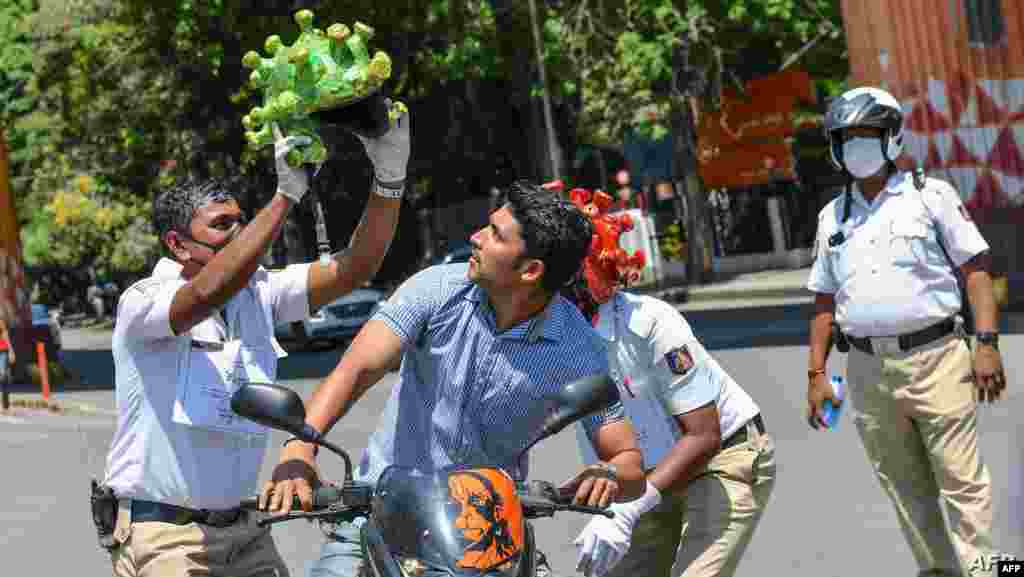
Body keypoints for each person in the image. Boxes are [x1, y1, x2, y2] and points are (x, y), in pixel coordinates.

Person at [263, 180, 648, 577]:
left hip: (489, 535)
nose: (476, 238)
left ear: (531, 270)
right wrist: (299, 449)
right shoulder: (435, 289)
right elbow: (355, 370)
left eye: (495, 234)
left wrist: (610, 473)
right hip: (379, 517)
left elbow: (629, 463)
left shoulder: (579, 347)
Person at [99, 105, 410, 577]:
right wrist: (285, 196)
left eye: (240, 221)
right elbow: (203, 294)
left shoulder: (260, 291)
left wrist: (389, 176)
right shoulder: (144, 303)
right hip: (165, 537)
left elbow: (356, 267)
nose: (240, 233)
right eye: (221, 226)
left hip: (245, 531)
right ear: (178, 245)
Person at [806, 86, 1007, 576]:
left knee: (961, 480)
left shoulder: (930, 196)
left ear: (891, 138)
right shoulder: (832, 216)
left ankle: (986, 571)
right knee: (902, 485)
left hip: (937, 357)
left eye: (866, 135)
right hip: (867, 371)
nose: (856, 146)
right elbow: (824, 302)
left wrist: (986, 344)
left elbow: (976, 272)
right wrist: (816, 374)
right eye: (846, 137)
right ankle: (937, 571)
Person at [561, 186, 774, 577]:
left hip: (720, 459)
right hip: (644, 477)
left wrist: (625, 512)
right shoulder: (550, 341)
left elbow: (703, 436)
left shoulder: (651, 324)